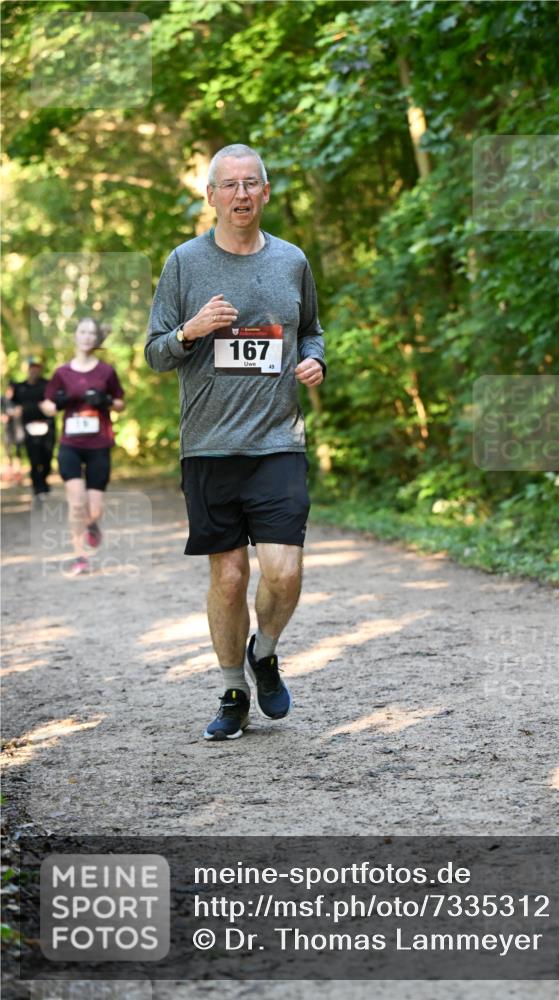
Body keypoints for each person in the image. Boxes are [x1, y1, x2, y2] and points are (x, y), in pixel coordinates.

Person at [146, 142, 326, 742]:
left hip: (278, 442)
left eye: (252, 184)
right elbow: (153, 353)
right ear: (212, 196)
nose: (241, 194)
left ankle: (265, 651)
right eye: (229, 185)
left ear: (266, 193)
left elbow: (313, 334)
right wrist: (190, 331)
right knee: (227, 579)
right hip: (209, 447)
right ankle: (232, 689)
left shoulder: (293, 261)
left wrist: (313, 362)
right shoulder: (184, 263)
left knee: (285, 570)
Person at [41, 318, 125, 576]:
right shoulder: (62, 373)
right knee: (76, 504)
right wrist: (58, 402)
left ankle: (92, 525)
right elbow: (45, 405)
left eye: (92, 333)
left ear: (96, 339)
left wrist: (106, 401)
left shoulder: (106, 372)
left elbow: (121, 403)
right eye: (83, 332)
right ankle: (80, 557)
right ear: (75, 336)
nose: (87, 337)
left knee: (94, 509)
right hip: (70, 445)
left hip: (99, 444)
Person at [11, 356, 55, 501]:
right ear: (28, 369)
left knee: (47, 458)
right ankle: (38, 489)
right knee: (34, 460)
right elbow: (10, 404)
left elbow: (57, 401)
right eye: (32, 368)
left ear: (40, 369)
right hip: (28, 428)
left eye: (37, 367)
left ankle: (43, 481)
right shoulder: (19, 388)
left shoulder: (48, 385)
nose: (34, 370)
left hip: (46, 426)